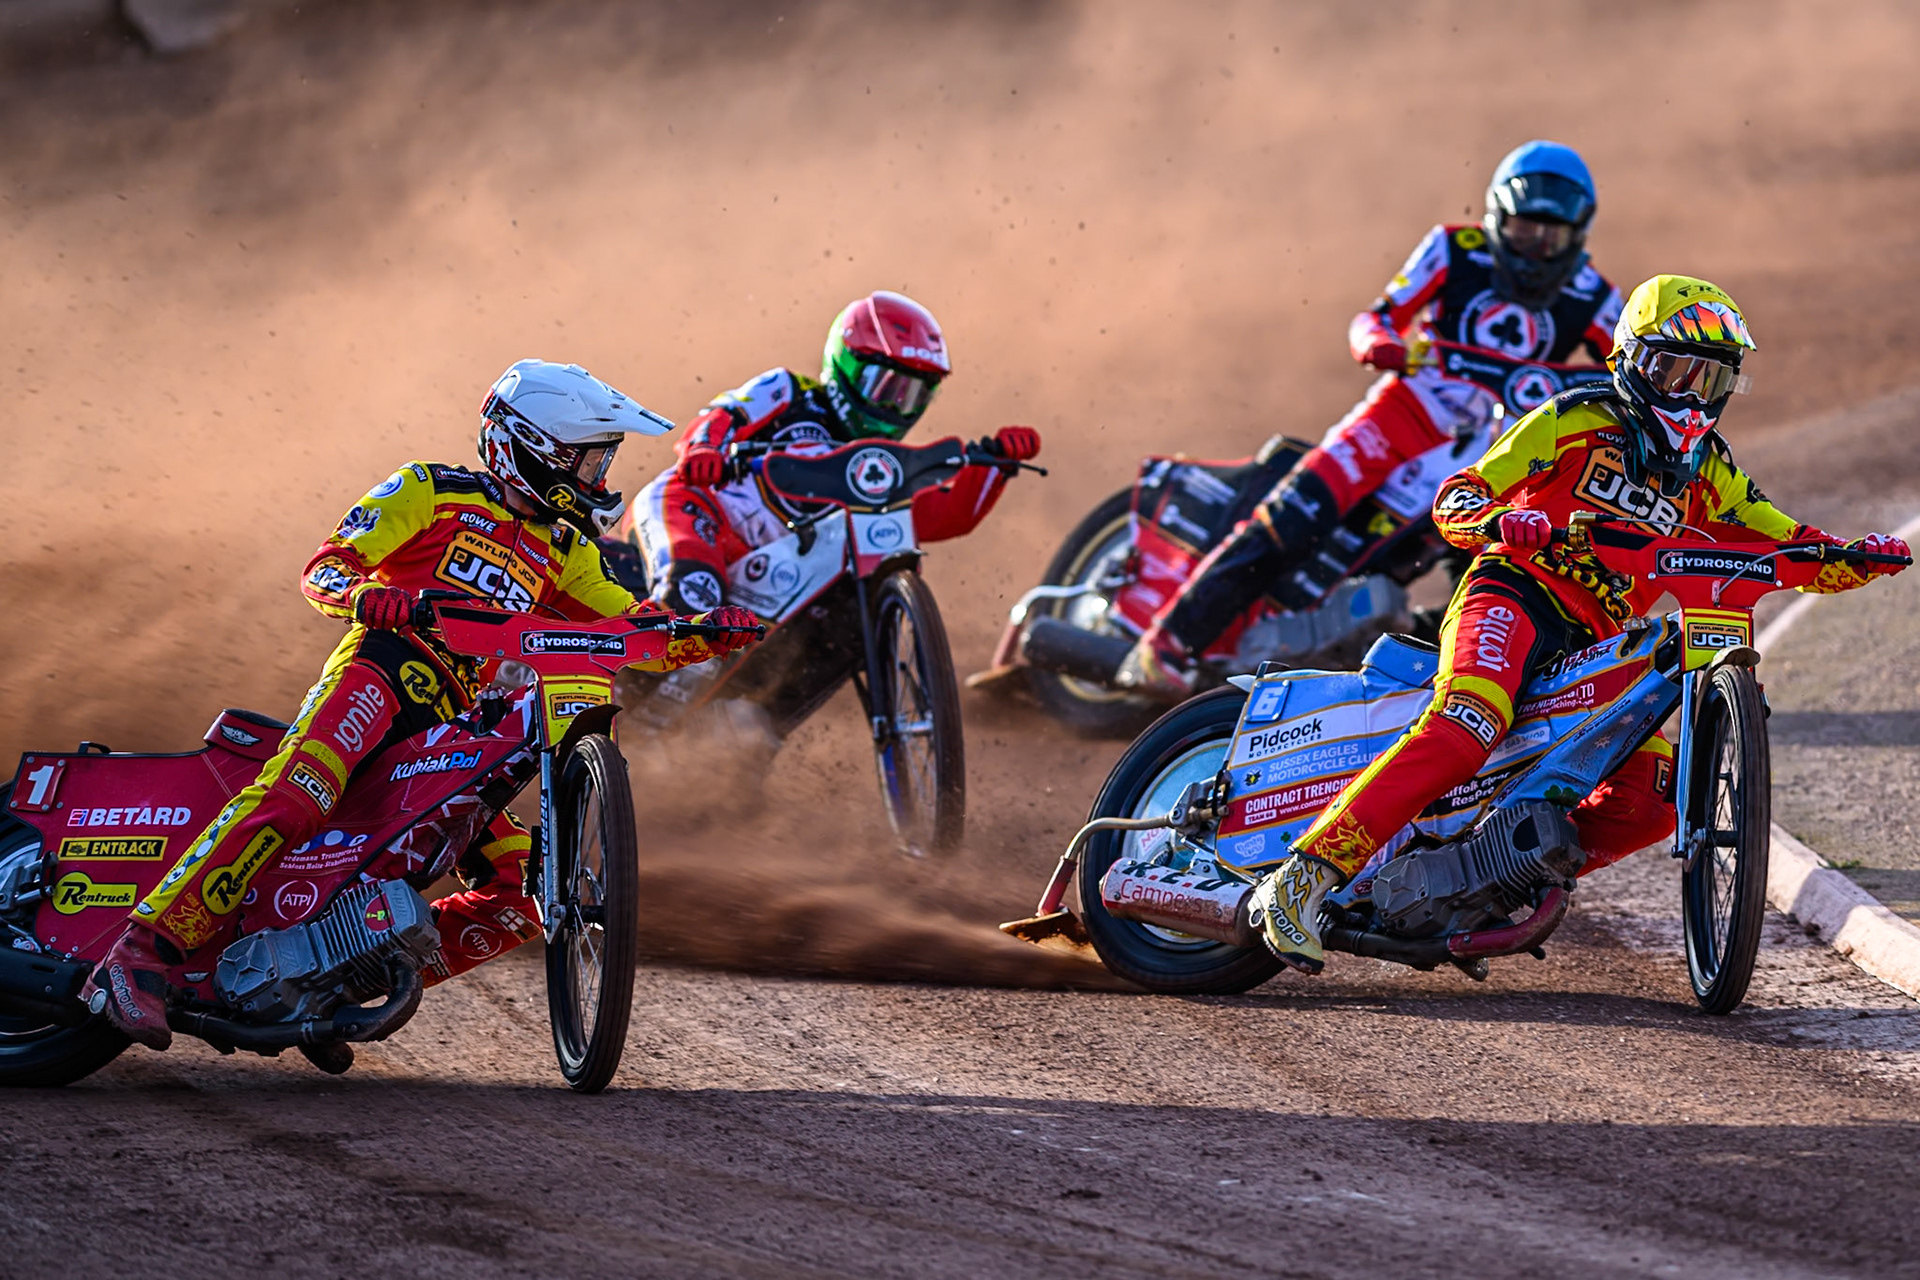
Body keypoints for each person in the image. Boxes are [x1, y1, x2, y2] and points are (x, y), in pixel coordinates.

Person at [83, 360, 757, 1050]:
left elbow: (628, 627)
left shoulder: (567, 549)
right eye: (589, 462)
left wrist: (701, 635)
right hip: (378, 675)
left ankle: (332, 984)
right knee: (295, 796)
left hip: (449, 730)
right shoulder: (429, 490)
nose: (599, 481)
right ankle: (137, 954)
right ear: (534, 449)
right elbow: (325, 568)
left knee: (517, 890)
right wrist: (362, 595)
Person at [1248, 275, 1912, 972]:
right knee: (1467, 724)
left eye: (1708, 380)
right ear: (1630, 360)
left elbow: (1785, 540)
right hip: (1516, 593)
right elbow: (1460, 494)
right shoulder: (1572, 417)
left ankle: (1482, 887)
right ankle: (1302, 876)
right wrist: (1503, 520)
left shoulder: (1714, 474)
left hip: (1596, 647)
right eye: (1672, 370)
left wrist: (1855, 556)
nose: (1687, 396)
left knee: (1655, 798)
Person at [1117, 140, 1623, 697]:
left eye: (1552, 235)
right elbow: (1377, 318)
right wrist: (1381, 345)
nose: (1538, 249)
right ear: (1497, 217)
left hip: (1487, 450)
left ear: (1579, 234)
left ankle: (1444, 681)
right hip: (1397, 416)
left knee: (1478, 562)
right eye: (1526, 230)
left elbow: (1625, 379)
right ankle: (1163, 646)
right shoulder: (1454, 249)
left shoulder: (1594, 296)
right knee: (1291, 516)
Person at [625, 290, 1041, 617]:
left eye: (911, 395)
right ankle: (631, 675)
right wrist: (704, 448)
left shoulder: (882, 468)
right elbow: (723, 414)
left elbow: (941, 516)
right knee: (694, 592)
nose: (893, 407)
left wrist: (995, 465)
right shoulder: (789, 391)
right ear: (846, 363)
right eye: (885, 386)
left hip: (769, 577)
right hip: (697, 510)